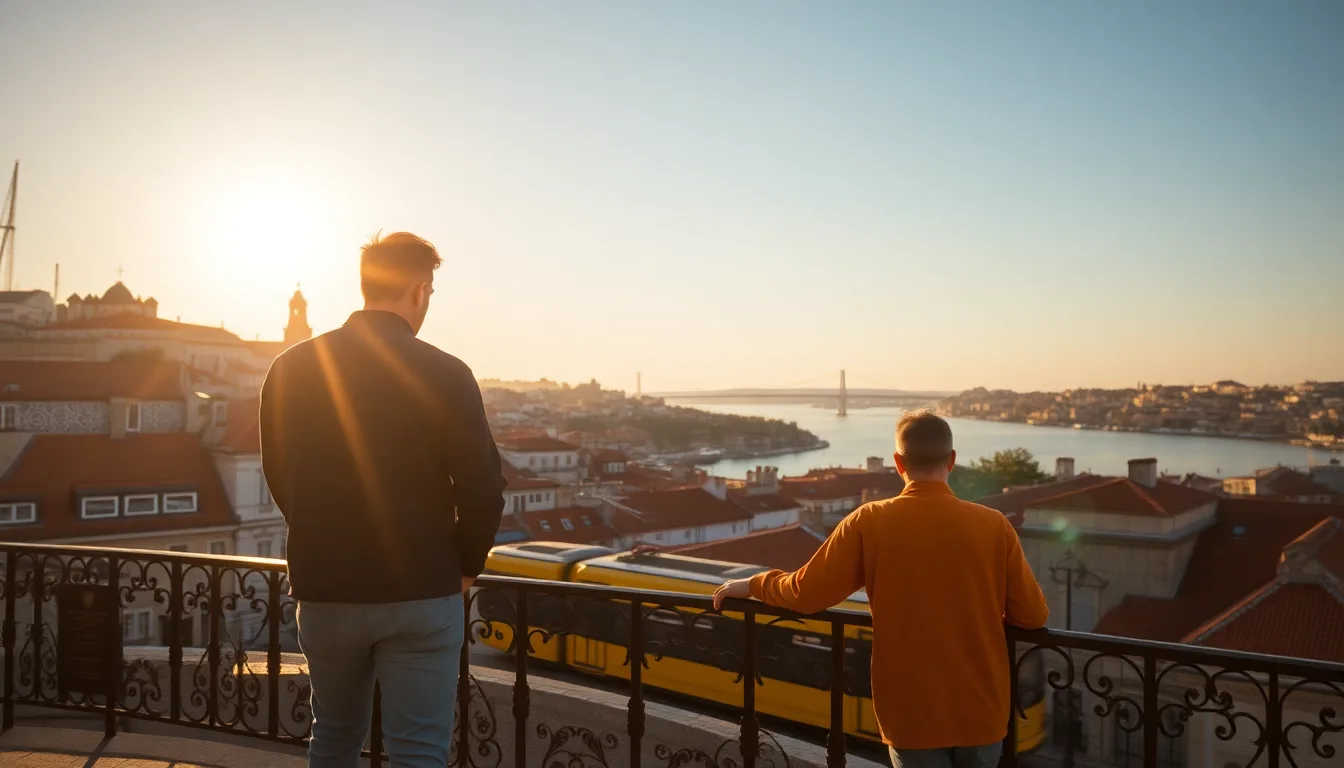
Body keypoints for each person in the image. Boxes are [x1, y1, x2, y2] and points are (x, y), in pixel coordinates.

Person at [261, 231, 506, 768]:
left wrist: (322, 533)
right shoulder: (446, 372)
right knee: (417, 750)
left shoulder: (290, 368)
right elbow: (483, 487)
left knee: (332, 738)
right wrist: (465, 567)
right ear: (419, 290)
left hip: (325, 587)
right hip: (419, 588)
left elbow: (280, 476)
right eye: (432, 292)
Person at [713, 410, 1049, 768]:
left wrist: (751, 584)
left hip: (911, 714)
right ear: (951, 460)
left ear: (898, 463)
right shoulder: (994, 526)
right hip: (983, 711)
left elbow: (806, 594)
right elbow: (1033, 616)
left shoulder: (868, 521)